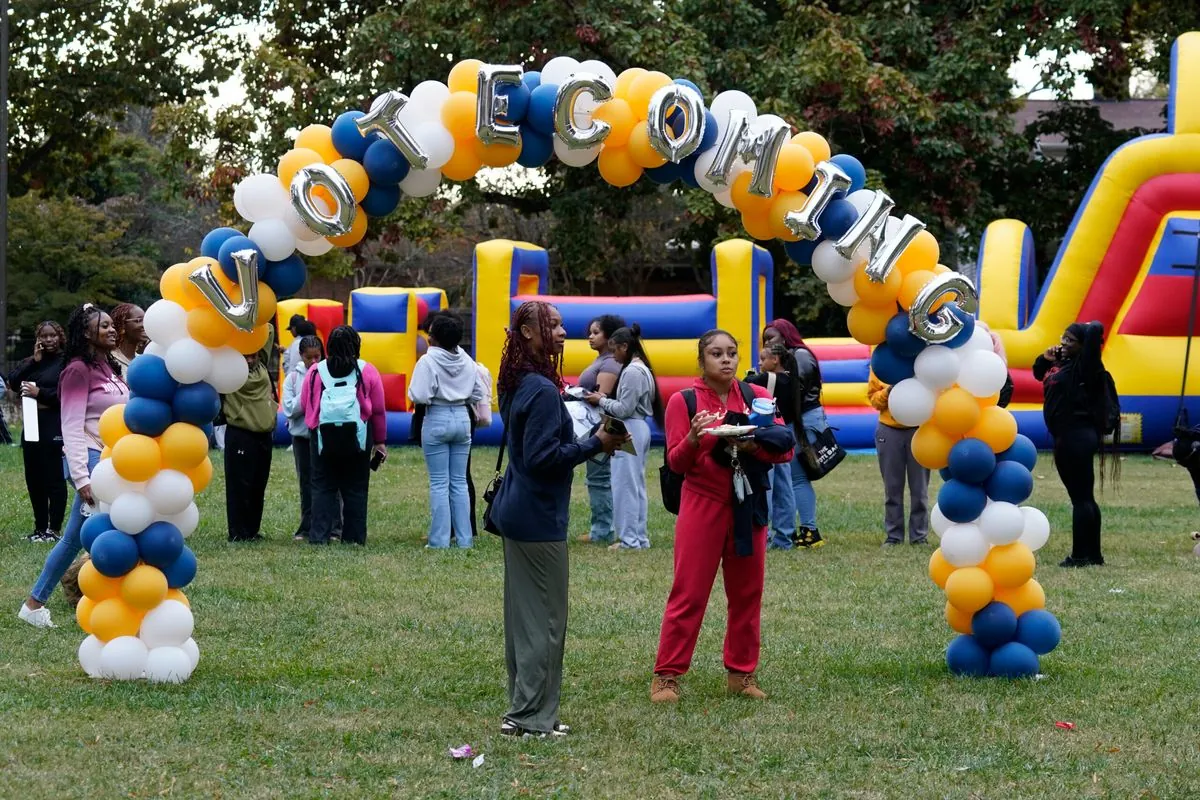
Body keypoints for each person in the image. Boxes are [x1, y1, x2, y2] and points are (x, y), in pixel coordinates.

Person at [489, 301, 625, 737]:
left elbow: (532, 452)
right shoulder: (542, 390)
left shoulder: (517, 380)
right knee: (545, 624)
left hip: (518, 511)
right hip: (537, 518)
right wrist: (596, 444)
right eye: (552, 325)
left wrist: (588, 439)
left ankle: (523, 712)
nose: (563, 332)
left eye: (562, 324)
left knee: (525, 622)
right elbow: (543, 459)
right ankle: (531, 718)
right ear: (527, 332)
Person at [650, 330, 794, 704]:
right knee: (689, 592)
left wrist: (751, 444)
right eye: (717, 353)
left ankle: (742, 674)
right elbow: (676, 463)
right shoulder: (684, 401)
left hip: (748, 505)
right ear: (703, 359)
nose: (726, 360)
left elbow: (783, 451)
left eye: (731, 353)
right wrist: (696, 439)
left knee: (748, 593)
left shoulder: (757, 397)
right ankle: (667, 675)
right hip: (702, 502)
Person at [19, 304, 129, 628]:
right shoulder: (78, 370)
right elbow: (71, 425)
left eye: (113, 325)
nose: (112, 330)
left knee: (72, 540)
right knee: (108, 533)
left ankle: (34, 604)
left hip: (112, 459)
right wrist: (82, 478)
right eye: (104, 326)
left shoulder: (108, 368)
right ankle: (106, 601)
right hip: (92, 463)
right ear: (85, 333)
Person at [1034, 321, 1116, 567]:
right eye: (1063, 337)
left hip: (1077, 437)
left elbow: (1094, 332)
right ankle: (1093, 555)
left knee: (1080, 499)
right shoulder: (1065, 365)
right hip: (1067, 437)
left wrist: (1090, 328)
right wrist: (1046, 358)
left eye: (1071, 340)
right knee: (1084, 497)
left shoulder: (1088, 367)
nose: (1064, 343)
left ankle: (1081, 555)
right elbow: (1040, 374)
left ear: (1084, 346)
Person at [302, 325, 388, 546]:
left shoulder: (315, 371)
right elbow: (378, 410)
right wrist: (379, 441)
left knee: (322, 487)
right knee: (356, 488)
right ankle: (354, 538)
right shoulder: (367, 371)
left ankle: (319, 536)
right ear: (356, 345)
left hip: (322, 437)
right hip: (357, 437)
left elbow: (306, 404)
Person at [583, 323, 664, 551]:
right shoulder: (642, 369)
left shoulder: (632, 372)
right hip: (637, 429)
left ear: (625, 347)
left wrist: (600, 400)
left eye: (615, 350)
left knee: (624, 486)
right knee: (635, 485)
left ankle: (629, 540)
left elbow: (624, 409)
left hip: (628, 428)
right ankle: (638, 537)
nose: (615, 358)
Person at [408, 312, 485, 549]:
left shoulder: (427, 361)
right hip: (462, 417)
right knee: (460, 482)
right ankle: (465, 539)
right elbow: (478, 393)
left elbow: (419, 395)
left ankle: (439, 540)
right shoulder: (467, 360)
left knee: (440, 483)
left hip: (437, 417)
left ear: (436, 338)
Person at [762, 318, 828, 548]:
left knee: (797, 477)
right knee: (793, 477)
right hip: (798, 420)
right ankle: (801, 529)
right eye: (765, 339)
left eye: (772, 337)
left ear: (785, 336)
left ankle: (810, 531)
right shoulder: (792, 356)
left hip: (805, 420)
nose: (768, 342)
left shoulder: (799, 355)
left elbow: (794, 391)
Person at [8, 321, 68, 542]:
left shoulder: (66, 362)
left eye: (53, 335)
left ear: (60, 337)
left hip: (54, 423)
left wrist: (39, 392)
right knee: (34, 479)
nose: (49, 340)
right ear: (38, 339)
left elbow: (64, 395)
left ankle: (54, 530)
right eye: (44, 336)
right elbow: (13, 382)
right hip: (32, 423)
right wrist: (33, 361)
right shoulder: (34, 361)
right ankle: (40, 529)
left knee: (54, 479)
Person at [221, 330, 277, 542]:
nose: (250, 359)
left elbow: (268, 331)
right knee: (239, 485)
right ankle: (238, 532)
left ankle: (253, 530)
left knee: (257, 484)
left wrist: (250, 328)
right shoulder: (230, 372)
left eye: (253, 354)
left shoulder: (260, 364)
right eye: (246, 355)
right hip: (241, 434)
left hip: (264, 434)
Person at [576, 314, 626, 545]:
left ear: (609, 336)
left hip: (600, 424)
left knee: (598, 478)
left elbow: (601, 396)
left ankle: (603, 530)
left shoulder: (609, 363)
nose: (590, 337)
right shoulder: (602, 360)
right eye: (590, 332)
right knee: (597, 477)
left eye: (596, 332)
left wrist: (577, 393)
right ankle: (602, 527)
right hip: (594, 424)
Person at [868, 371, 930, 547]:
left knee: (920, 488)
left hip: (919, 430)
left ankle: (919, 536)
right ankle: (894, 536)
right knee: (892, 487)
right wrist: (889, 392)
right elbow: (874, 400)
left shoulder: (921, 364)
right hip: (889, 430)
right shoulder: (881, 365)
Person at [746, 343, 799, 549]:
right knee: (785, 489)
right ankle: (785, 536)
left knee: (766, 487)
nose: (759, 363)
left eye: (762, 358)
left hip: (767, 436)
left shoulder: (766, 379)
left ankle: (765, 535)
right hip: (784, 437)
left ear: (774, 360)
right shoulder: (791, 379)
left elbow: (747, 383)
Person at [282, 334, 324, 542]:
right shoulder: (293, 378)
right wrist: (308, 390)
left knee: (326, 482)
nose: (314, 362)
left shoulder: (327, 374)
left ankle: (332, 525)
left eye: (317, 357)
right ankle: (306, 525)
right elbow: (289, 408)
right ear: (301, 356)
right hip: (301, 437)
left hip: (323, 435)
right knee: (305, 482)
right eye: (310, 358)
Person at [109, 303, 146, 371]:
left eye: (145, 320)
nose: (145, 325)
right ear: (122, 325)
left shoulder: (144, 361)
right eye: (139, 320)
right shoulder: (109, 360)